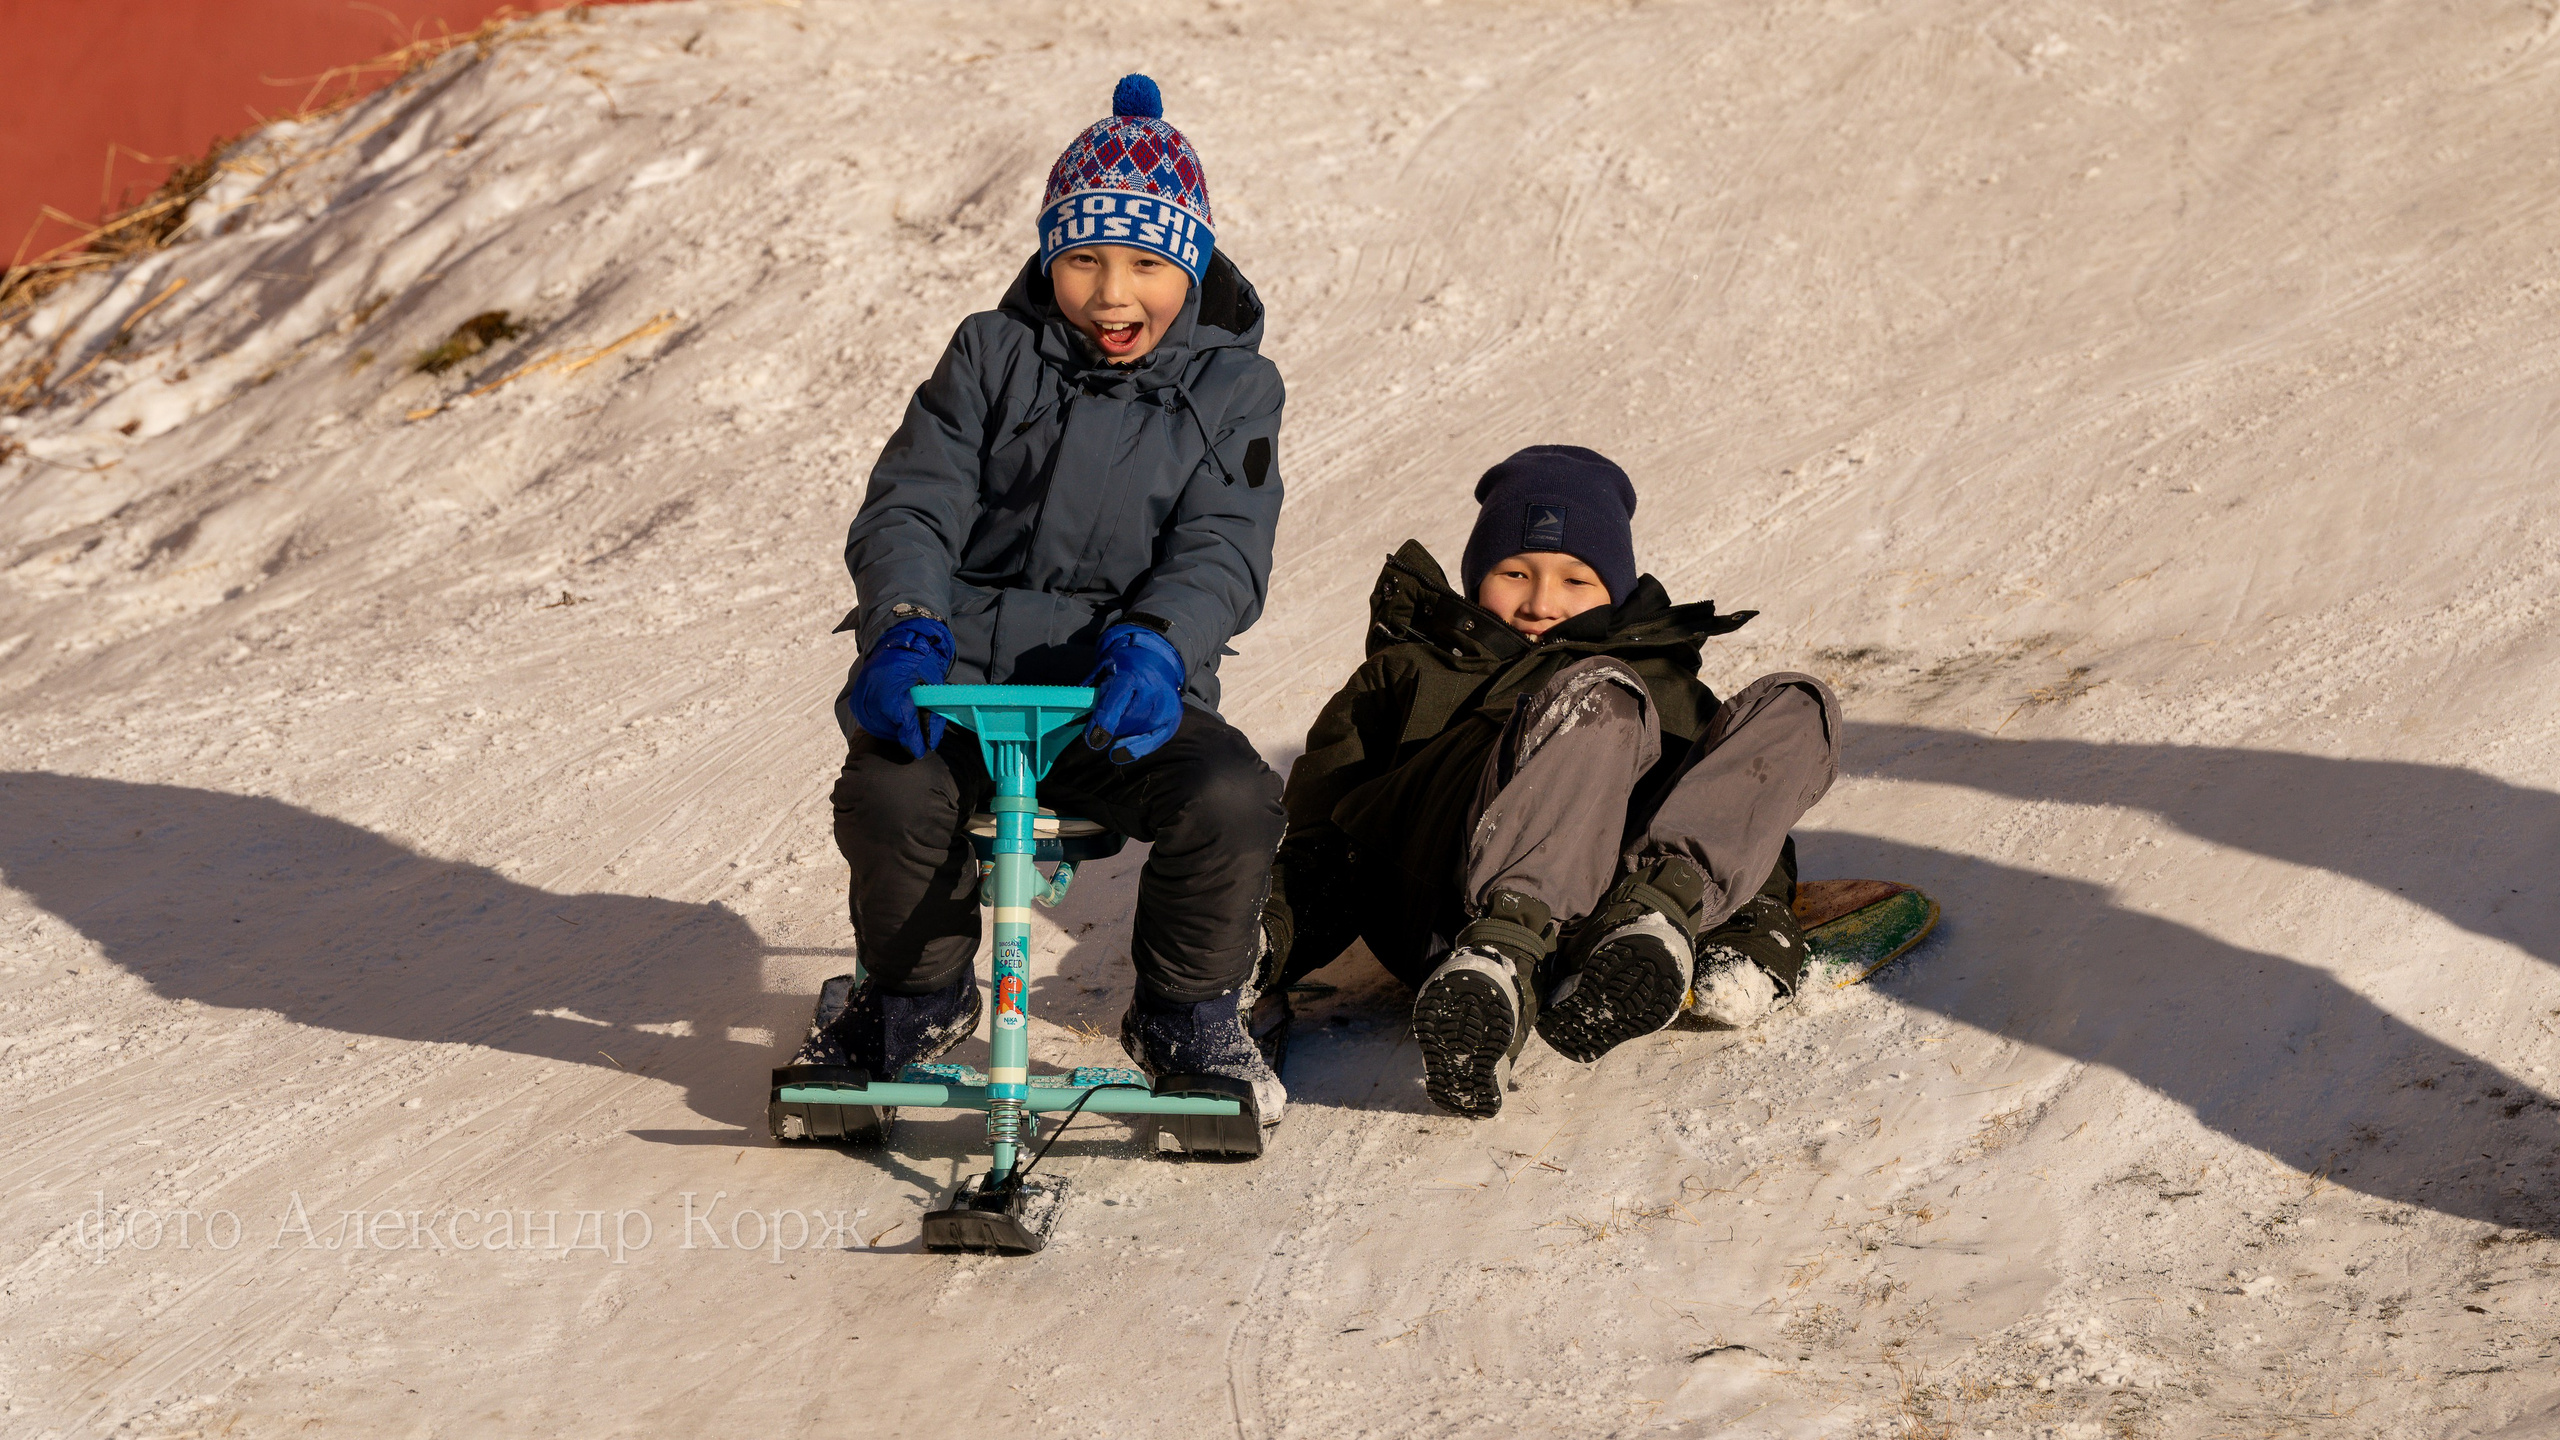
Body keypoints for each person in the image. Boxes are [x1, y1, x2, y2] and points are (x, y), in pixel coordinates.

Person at [795, 75, 1289, 1134]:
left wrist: (1158, 646)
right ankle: (914, 995)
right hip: (961, 688)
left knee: (1231, 802)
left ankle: (1185, 1011)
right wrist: (903, 627)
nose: (1112, 296)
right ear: (1045, 258)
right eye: (1082, 261)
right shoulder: (990, 353)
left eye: (1146, 264)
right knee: (892, 795)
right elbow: (913, 502)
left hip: (1116, 700)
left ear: (1190, 262)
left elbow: (1222, 543)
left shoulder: (1236, 391)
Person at [1259, 446, 1840, 1118]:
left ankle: (1655, 920)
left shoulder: (1666, 686)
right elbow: (1320, 832)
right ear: (1477, 576)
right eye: (1515, 572)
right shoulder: (1411, 671)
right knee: (1598, 696)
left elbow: (1736, 808)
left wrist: (1755, 926)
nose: (1541, 602)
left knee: (1801, 703)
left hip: (1603, 911)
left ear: (1613, 591)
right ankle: (1496, 963)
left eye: (1575, 580)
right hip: (1442, 904)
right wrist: (1253, 941)